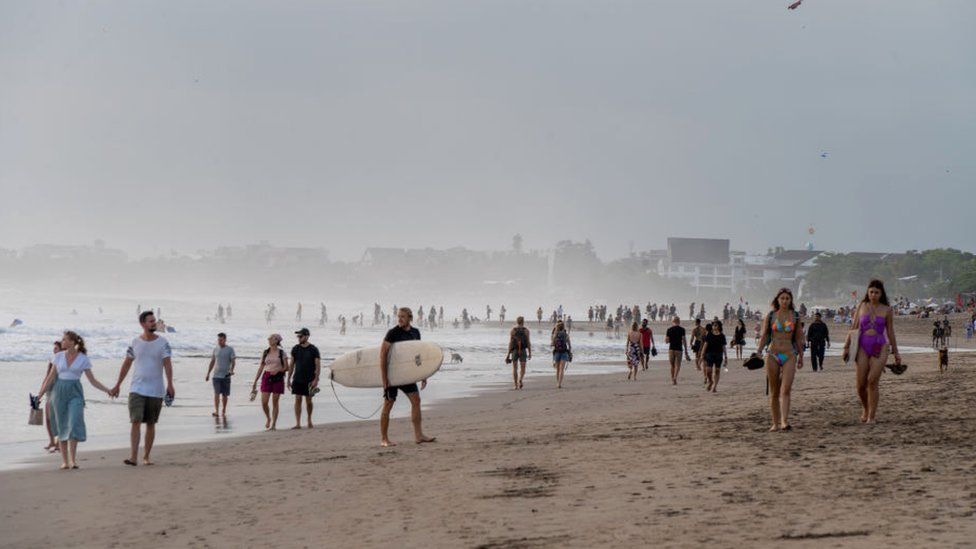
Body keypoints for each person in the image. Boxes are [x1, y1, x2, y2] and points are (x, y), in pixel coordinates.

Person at [37, 332, 111, 469]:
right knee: (62, 425)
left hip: (75, 392)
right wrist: (40, 394)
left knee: (75, 421)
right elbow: (51, 378)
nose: (62, 341)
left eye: (64, 339)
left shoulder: (83, 359)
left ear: (72, 342)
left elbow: (92, 380)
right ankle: (65, 461)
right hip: (58, 393)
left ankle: (73, 460)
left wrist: (108, 390)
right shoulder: (58, 356)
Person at [108, 311, 174, 466]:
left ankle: (146, 456)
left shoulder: (163, 342)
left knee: (151, 423)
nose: (153, 323)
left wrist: (170, 384)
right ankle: (133, 457)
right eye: (150, 321)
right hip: (136, 388)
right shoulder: (135, 342)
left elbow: (167, 364)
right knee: (135, 420)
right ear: (143, 324)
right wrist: (118, 384)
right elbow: (126, 364)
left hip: (156, 389)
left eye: (154, 321)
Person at [843, 279, 901, 424]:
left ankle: (872, 416)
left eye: (876, 292)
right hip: (862, 346)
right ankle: (866, 408)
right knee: (861, 384)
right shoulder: (862, 306)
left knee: (872, 381)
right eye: (871, 292)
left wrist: (896, 352)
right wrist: (846, 346)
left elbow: (890, 331)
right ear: (868, 292)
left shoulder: (887, 309)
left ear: (881, 294)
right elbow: (854, 327)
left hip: (880, 346)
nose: (873, 294)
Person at [380, 308, 436, 447]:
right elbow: (382, 355)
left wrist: (423, 374)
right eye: (398, 316)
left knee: (416, 400)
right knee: (388, 404)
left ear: (410, 317)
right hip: (393, 375)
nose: (399, 319)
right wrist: (384, 379)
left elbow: (418, 355)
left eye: (403, 317)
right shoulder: (392, 333)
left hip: (407, 375)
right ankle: (384, 439)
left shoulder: (415, 332)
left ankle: (419, 436)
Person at [756, 289, 804, 432]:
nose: (784, 301)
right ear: (777, 300)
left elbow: (798, 338)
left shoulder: (795, 316)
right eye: (782, 298)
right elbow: (765, 336)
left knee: (786, 389)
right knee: (774, 391)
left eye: (787, 298)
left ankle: (784, 421)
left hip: (789, 354)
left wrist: (801, 356)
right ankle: (775, 423)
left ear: (791, 300)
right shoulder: (771, 316)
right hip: (772, 354)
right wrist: (758, 351)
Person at [252, 334, 288, 430]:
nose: (269, 339)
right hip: (266, 376)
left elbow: (286, 367)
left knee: (275, 402)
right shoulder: (265, 352)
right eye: (269, 338)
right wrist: (255, 380)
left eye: (271, 338)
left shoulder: (282, 353)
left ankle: (274, 425)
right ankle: (268, 418)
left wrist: (278, 371)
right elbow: (261, 367)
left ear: (276, 340)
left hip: (278, 377)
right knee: (264, 402)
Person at [288, 328, 320, 429]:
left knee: (309, 401)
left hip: (310, 379)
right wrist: (288, 378)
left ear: (306, 336)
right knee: (297, 400)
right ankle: (298, 423)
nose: (299, 338)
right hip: (297, 378)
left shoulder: (313, 349)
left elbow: (318, 365)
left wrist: (316, 379)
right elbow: (292, 364)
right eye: (298, 336)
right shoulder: (295, 349)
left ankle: (309, 420)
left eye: (300, 336)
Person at [205, 333, 236, 418]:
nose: (219, 341)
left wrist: (231, 370)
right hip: (216, 376)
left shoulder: (230, 349)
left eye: (221, 340)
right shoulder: (215, 349)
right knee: (216, 393)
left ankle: (224, 409)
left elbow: (233, 361)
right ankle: (217, 411)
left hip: (226, 375)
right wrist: (208, 373)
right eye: (218, 340)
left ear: (225, 340)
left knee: (225, 395)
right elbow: (212, 362)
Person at [42, 341, 63, 453]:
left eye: (56, 348)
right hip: (49, 389)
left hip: (58, 389)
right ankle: (51, 440)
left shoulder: (64, 360)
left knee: (57, 417)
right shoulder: (52, 360)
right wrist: (42, 389)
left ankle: (59, 442)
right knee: (48, 417)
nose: (54, 350)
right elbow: (47, 375)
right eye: (54, 348)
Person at [700, 321, 728, 393]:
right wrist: (702, 354)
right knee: (708, 371)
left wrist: (726, 357)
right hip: (709, 354)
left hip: (719, 355)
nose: (714, 327)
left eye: (716, 325)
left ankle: (714, 387)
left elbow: (724, 347)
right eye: (713, 325)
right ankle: (711, 381)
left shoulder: (722, 336)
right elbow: (705, 345)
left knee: (717, 371)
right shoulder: (709, 334)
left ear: (719, 326)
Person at [506, 316, 532, 390]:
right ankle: (520, 379)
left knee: (515, 368)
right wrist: (530, 352)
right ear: (523, 321)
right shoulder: (526, 330)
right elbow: (528, 342)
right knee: (523, 368)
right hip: (523, 350)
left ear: (517, 321)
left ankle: (515, 385)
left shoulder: (513, 330)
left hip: (514, 350)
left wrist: (508, 354)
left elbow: (510, 342)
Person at [665, 317, 691, 385]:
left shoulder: (669, 329)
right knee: (678, 365)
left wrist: (671, 339)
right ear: (679, 321)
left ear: (673, 321)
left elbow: (666, 341)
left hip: (671, 349)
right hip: (679, 349)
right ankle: (675, 377)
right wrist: (686, 351)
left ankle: (672, 378)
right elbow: (684, 340)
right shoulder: (682, 329)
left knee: (672, 365)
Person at [551, 320, 572, 389]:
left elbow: (552, 344)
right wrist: (570, 353)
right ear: (563, 327)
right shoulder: (566, 335)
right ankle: (559, 383)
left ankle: (557, 382)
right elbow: (569, 345)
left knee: (557, 369)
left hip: (557, 352)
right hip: (564, 352)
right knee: (561, 369)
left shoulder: (555, 334)